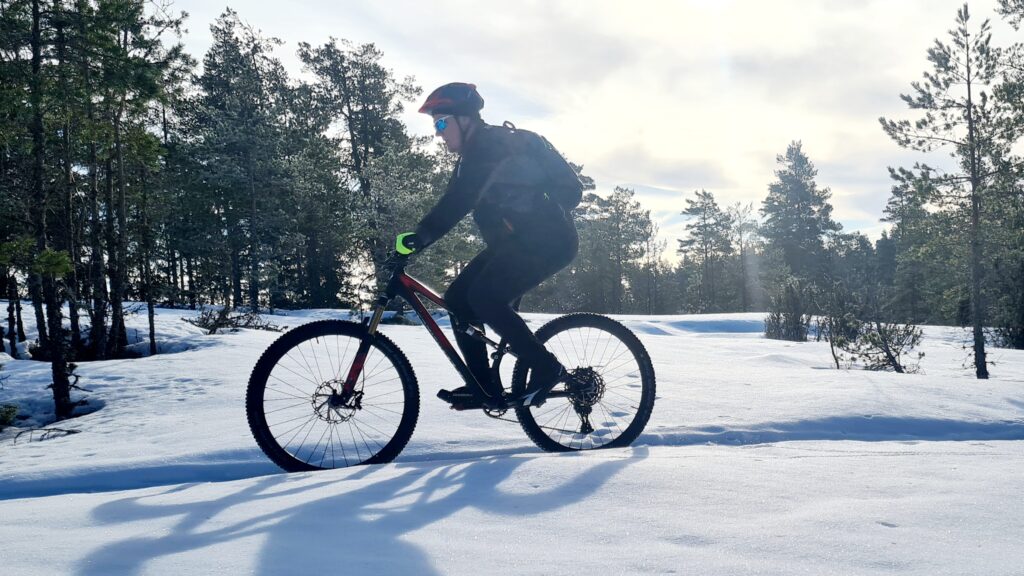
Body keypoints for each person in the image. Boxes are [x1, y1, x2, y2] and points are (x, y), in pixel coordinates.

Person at [395, 82, 580, 409]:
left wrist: (420, 237)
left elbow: (458, 202)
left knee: (483, 298)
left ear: (464, 119)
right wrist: (418, 236)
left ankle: (546, 368)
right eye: (435, 125)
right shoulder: (472, 157)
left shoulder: (489, 148)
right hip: (517, 243)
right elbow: (452, 200)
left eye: (441, 123)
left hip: (549, 241)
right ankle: (484, 387)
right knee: (458, 300)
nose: (438, 133)